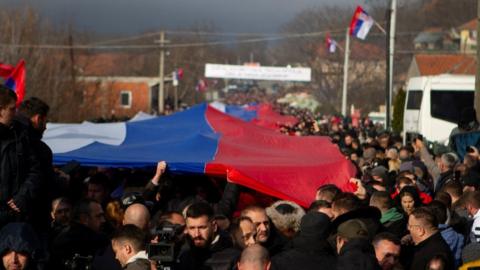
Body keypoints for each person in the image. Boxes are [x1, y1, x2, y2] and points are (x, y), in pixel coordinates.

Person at [0, 86, 41, 227]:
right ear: (0, 110)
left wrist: (23, 196)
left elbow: (35, 170)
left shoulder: (22, 135)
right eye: (11, 109)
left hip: (17, 215)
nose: (15, 112)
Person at [177, 202, 239, 270]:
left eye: (202, 227)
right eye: (192, 228)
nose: (197, 234)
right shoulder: (183, 256)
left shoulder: (233, 258)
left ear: (214, 226)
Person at [51, 199, 109, 268]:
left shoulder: (59, 239)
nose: (103, 220)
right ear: (84, 219)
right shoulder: (99, 240)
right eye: (98, 216)